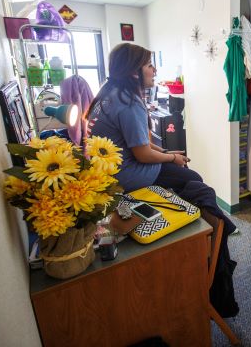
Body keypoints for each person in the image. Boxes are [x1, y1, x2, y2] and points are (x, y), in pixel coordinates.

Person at [85, 43, 239, 318]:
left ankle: (210, 231)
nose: (154, 70)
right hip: (130, 177)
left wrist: (168, 153)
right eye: (149, 65)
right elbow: (143, 154)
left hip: (110, 175)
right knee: (193, 178)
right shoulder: (129, 103)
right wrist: (172, 159)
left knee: (188, 176)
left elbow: (142, 144)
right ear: (133, 71)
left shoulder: (108, 94)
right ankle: (208, 238)